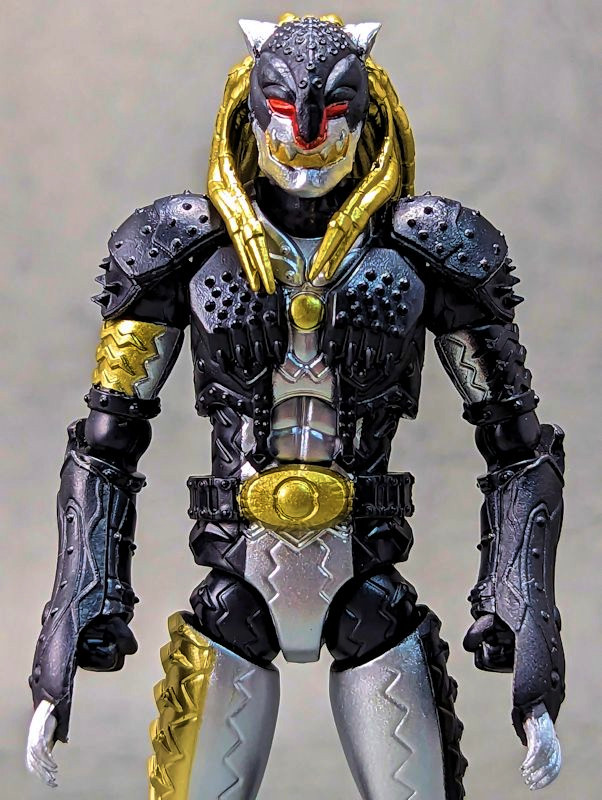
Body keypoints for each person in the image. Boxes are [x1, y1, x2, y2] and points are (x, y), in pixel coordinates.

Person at [26, 14, 565, 799]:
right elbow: (107, 442)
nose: (307, 141)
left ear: (366, 115)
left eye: (333, 114)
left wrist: (522, 609)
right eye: (284, 114)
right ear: (249, 114)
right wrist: (79, 606)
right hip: (236, 573)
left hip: (367, 570)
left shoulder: (429, 248)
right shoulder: (181, 245)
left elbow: (517, 448)